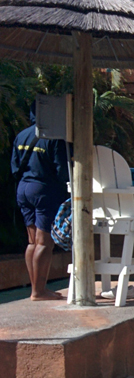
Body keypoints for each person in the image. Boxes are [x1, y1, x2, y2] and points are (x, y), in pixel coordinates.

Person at [13, 106, 70, 301]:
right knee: (45, 243)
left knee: (32, 242)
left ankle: (35, 288)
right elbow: (62, 170)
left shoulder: (22, 136)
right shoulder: (55, 139)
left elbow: (15, 166)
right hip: (44, 191)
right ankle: (39, 291)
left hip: (23, 189)